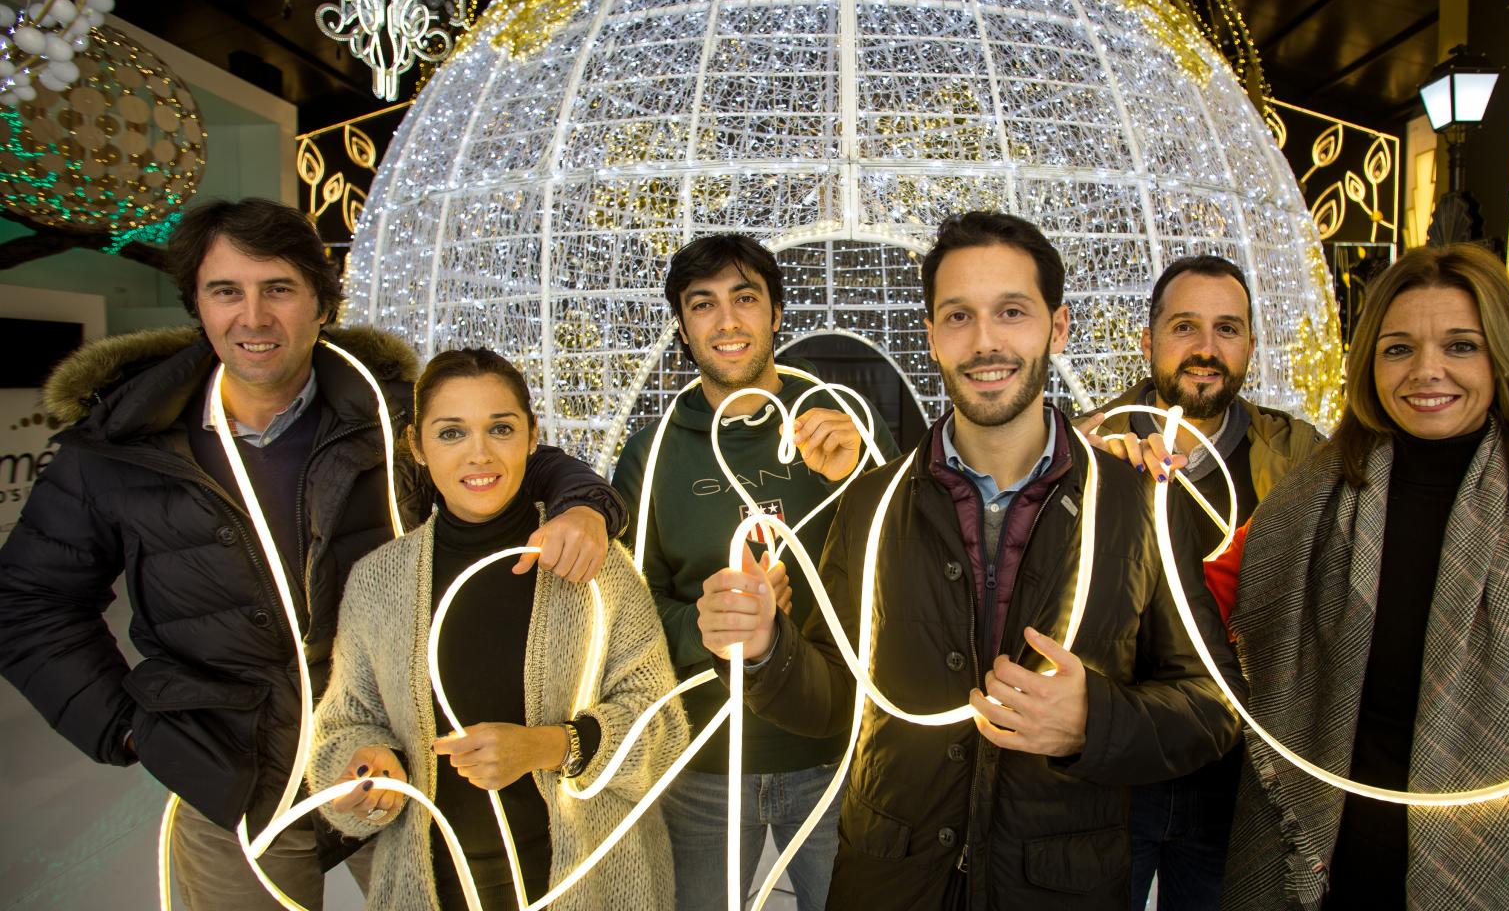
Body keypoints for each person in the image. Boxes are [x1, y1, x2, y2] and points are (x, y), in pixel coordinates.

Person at [0, 198, 626, 910]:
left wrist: (585, 505)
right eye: (226, 291)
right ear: (197, 305)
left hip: (400, 758)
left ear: (322, 304)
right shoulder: (122, 444)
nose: (254, 317)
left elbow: (509, 457)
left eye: (279, 289)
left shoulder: (388, 412)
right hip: (234, 780)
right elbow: (28, 602)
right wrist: (132, 731)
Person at [695, 211, 1243, 910]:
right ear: (930, 336)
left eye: (1012, 312)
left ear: (1058, 327)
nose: (986, 342)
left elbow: (1214, 705)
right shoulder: (870, 505)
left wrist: (1093, 723)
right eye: (958, 316)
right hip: (894, 884)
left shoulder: (1140, 507)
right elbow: (836, 700)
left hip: (1058, 889)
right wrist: (765, 650)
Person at [1073, 254, 1509, 911]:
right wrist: (1085, 484)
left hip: (1505, 851)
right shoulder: (1314, 496)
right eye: (1398, 347)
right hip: (1333, 856)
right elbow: (1191, 610)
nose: (1427, 370)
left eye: (1461, 345)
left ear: (1504, 358)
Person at [310, 348, 687, 910]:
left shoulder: (594, 566)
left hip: (594, 886)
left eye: (501, 428)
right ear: (416, 446)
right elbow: (343, 727)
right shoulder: (377, 583)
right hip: (436, 888)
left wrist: (552, 746)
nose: (479, 454)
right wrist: (366, 768)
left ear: (533, 436)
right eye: (451, 433)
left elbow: (664, 730)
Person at [611, 233, 898, 911]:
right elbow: (625, 609)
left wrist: (863, 474)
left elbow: (908, 573)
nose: (728, 321)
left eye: (746, 299)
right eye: (703, 304)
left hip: (839, 754)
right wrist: (714, 626)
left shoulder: (844, 428)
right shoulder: (653, 453)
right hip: (704, 764)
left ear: (776, 313)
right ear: (682, 327)